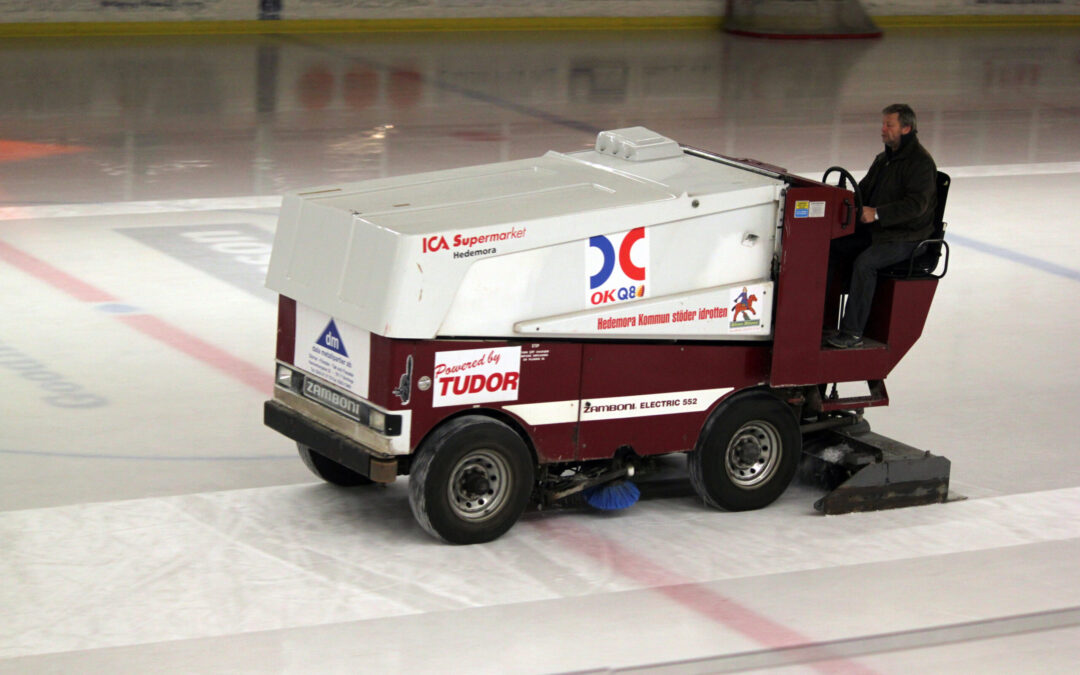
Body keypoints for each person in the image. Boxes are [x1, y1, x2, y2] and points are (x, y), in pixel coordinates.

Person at [826, 103, 937, 349]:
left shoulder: (920, 163)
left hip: (908, 238)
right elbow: (863, 191)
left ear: (906, 128)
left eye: (889, 125)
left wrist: (878, 214)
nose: (883, 129)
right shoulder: (883, 159)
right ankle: (824, 321)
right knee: (833, 248)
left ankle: (852, 333)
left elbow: (916, 205)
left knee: (866, 263)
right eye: (883, 124)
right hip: (881, 233)